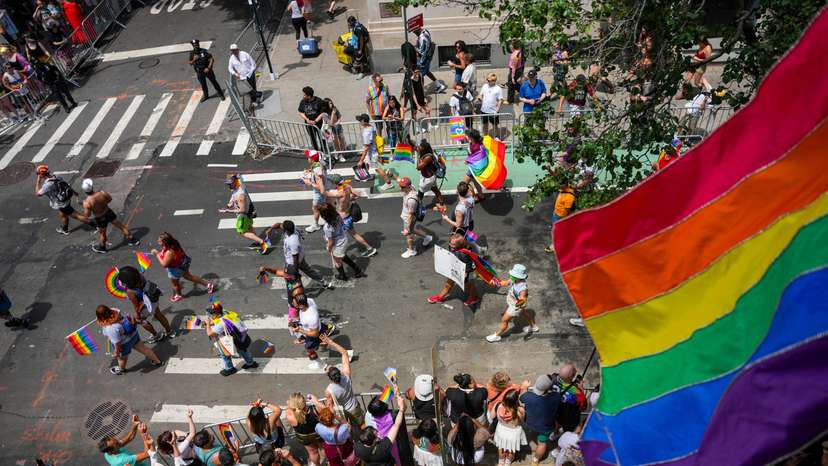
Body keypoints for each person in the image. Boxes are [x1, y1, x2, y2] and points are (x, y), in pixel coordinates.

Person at [96, 305, 162, 375]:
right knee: (144, 349)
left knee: (122, 358)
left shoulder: (111, 328)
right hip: (134, 335)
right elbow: (127, 316)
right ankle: (157, 361)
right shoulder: (115, 310)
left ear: (101, 317)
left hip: (124, 343)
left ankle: (122, 369)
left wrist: (116, 352)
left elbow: (117, 342)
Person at [263, 220, 331, 287]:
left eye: (283, 228)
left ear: (286, 230)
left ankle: (291, 294)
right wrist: (270, 229)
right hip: (299, 258)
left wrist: (294, 269)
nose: (281, 228)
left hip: (292, 262)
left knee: (289, 278)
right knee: (309, 271)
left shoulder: (293, 242)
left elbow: (295, 256)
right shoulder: (293, 228)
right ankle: (323, 282)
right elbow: (278, 224)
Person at [151, 232, 215, 302]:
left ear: (165, 242)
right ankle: (208, 284)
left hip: (175, 269)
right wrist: (160, 254)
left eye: (160, 240)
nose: (158, 240)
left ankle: (178, 295)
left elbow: (164, 264)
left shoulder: (169, 252)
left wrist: (157, 254)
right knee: (190, 277)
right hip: (182, 265)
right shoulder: (174, 243)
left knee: (175, 284)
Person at [117, 265, 174, 344]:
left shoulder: (130, 291)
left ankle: (156, 335)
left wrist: (137, 315)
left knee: (142, 321)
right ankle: (169, 331)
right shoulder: (140, 276)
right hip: (153, 300)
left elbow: (136, 306)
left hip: (145, 307)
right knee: (159, 314)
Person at [81, 178, 140, 253]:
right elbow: (109, 199)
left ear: (85, 191)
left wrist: (87, 208)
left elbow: (87, 215)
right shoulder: (102, 193)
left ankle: (102, 247)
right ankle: (133, 240)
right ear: (92, 187)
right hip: (108, 212)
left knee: (102, 233)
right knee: (121, 226)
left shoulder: (87, 202)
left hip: (100, 218)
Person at [325, 174, 378, 257]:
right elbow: (359, 194)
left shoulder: (340, 193)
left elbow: (325, 193)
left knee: (352, 235)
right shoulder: (347, 186)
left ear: (335, 183)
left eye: (332, 182)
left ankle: (370, 249)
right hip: (346, 215)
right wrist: (350, 199)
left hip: (343, 219)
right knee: (343, 234)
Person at [219, 173, 270, 254]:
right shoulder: (240, 186)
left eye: (230, 184)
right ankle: (257, 242)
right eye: (228, 184)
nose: (229, 186)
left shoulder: (240, 196)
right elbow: (239, 180)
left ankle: (262, 242)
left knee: (241, 231)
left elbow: (241, 210)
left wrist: (227, 211)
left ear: (235, 182)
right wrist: (230, 202)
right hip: (249, 212)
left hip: (243, 215)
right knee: (249, 227)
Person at [205, 301, 259, 376]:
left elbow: (210, 333)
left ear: (216, 314)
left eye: (210, 314)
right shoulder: (226, 312)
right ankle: (251, 363)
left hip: (232, 339)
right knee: (243, 350)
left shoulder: (221, 323)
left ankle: (230, 368)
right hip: (241, 336)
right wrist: (213, 322)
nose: (209, 316)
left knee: (224, 354)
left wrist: (207, 324)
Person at [486, 264, 538, 342]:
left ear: (519, 277)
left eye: (513, 275)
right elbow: (505, 283)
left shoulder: (522, 288)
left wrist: (521, 303)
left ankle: (496, 335)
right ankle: (533, 326)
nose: (511, 275)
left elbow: (523, 298)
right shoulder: (514, 279)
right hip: (511, 301)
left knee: (504, 320)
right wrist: (495, 282)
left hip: (515, 306)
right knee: (524, 313)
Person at [426, 234, 480, 306]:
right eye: (450, 243)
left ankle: (474, 298)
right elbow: (448, 254)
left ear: (459, 245)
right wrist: (438, 255)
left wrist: (465, 273)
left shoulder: (464, 254)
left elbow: (469, 264)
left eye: (453, 244)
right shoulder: (452, 247)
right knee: (448, 284)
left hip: (466, 271)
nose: (450, 245)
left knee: (468, 286)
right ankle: (440, 297)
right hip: (455, 269)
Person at [358, 393, 410, 466]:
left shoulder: (368, 415)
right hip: (394, 442)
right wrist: (398, 394)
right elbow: (403, 410)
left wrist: (392, 391)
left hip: (386, 446)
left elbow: (379, 403)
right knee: (398, 458)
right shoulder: (392, 416)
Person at [519, 375, 560, 466]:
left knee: (537, 436)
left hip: (530, 423)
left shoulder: (529, 396)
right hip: (546, 427)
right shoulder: (556, 397)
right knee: (542, 444)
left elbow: (522, 397)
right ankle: (535, 460)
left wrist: (525, 387)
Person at [34, 164, 87, 235]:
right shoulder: (56, 176)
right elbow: (66, 184)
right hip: (65, 199)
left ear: (41, 175)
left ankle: (96, 225)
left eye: (38, 174)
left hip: (61, 203)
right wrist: (74, 192)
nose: (38, 176)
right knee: (63, 215)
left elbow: (38, 194)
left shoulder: (47, 185)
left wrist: (38, 181)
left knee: (77, 216)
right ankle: (65, 229)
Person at [319, 202, 366, 281]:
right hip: (343, 239)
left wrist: (329, 248)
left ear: (323, 215)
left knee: (337, 261)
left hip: (337, 244)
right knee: (342, 256)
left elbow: (331, 241)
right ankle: (357, 270)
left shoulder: (327, 227)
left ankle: (343, 276)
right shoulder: (338, 216)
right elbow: (342, 223)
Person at [324, 335, 363, 426]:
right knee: (360, 424)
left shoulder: (329, 391)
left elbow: (330, 407)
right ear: (340, 372)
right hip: (355, 407)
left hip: (345, 413)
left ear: (330, 377)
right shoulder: (346, 375)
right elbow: (345, 353)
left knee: (350, 428)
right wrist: (331, 342)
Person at [356, 113, 395, 190]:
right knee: (367, 162)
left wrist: (360, 160)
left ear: (364, 121)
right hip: (374, 150)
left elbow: (366, 148)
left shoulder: (366, 133)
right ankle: (364, 175)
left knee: (377, 169)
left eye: (360, 120)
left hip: (372, 153)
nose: (359, 122)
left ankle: (388, 183)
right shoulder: (372, 127)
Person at [399, 176, 433, 259]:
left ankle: (411, 251)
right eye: (400, 186)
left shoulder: (411, 200)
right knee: (412, 230)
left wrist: (407, 229)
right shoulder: (411, 187)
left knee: (409, 235)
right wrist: (393, 176)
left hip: (408, 219)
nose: (401, 188)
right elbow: (399, 180)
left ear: (408, 186)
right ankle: (427, 237)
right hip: (408, 217)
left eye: (402, 187)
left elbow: (411, 215)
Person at [285, 392, 322, 466]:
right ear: (304, 402)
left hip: (304, 437)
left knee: (312, 452)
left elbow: (288, 408)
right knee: (323, 448)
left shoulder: (289, 415)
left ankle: (317, 465)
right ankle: (330, 460)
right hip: (318, 433)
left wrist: (289, 404)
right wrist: (316, 402)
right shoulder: (315, 410)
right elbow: (326, 410)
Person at [290, 294, 326, 369]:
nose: (292, 304)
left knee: (309, 349)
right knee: (324, 341)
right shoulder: (309, 300)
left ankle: (320, 363)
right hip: (315, 327)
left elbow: (315, 334)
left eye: (294, 303)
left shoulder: (311, 317)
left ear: (301, 306)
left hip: (314, 334)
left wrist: (299, 330)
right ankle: (322, 342)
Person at [492, 390, 527, 465]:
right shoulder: (520, 411)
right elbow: (522, 421)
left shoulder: (498, 405)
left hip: (501, 431)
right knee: (511, 450)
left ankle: (501, 462)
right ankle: (507, 463)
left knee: (501, 448)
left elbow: (491, 416)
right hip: (513, 434)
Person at [552, 363, 587, 433]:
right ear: (571, 377)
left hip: (556, 412)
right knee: (568, 429)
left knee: (557, 423)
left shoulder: (553, 380)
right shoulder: (577, 391)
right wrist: (581, 389)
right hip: (569, 418)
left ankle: (555, 433)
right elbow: (583, 407)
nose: (575, 371)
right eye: (574, 372)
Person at [302, 149, 329, 233]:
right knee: (322, 207)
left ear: (312, 159)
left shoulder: (317, 169)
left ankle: (316, 225)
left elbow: (320, 186)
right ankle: (326, 222)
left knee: (316, 208)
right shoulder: (318, 163)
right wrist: (310, 172)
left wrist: (309, 182)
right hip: (321, 191)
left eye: (308, 157)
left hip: (319, 192)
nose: (307, 159)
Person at [413, 26, 443, 91]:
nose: (414, 33)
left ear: (417, 30)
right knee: (426, 71)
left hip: (423, 60)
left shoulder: (422, 37)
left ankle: (422, 93)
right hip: (427, 58)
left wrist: (414, 48)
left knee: (420, 75)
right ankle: (439, 85)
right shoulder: (425, 31)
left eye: (414, 32)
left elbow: (422, 51)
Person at [414, 140, 443, 206]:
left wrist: (418, 156)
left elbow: (418, 167)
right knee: (435, 189)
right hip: (431, 176)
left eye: (420, 147)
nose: (418, 148)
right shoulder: (428, 152)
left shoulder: (428, 158)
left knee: (420, 191)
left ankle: (418, 205)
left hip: (428, 178)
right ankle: (441, 203)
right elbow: (414, 146)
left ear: (424, 150)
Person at [298, 86, 326, 152]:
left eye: (305, 95)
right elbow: (300, 112)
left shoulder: (319, 101)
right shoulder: (303, 101)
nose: (303, 96)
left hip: (319, 124)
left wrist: (315, 121)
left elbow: (322, 113)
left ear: (309, 96)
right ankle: (316, 151)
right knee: (313, 139)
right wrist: (307, 119)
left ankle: (324, 151)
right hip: (309, 125)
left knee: (322, 138)